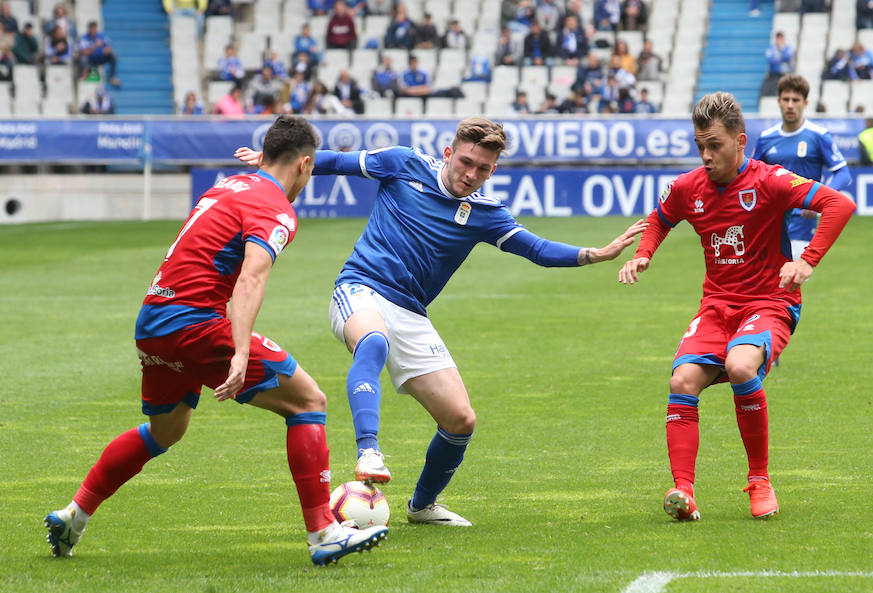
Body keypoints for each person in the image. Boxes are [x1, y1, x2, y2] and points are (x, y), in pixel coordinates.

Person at [236, 118, 647, 526]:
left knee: (460, 420)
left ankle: (422, 506)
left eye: (482, 169)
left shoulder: (487, 213)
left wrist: (597, 253)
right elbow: (337, 162)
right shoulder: (403, 163)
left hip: (411, 312)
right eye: (466, 162)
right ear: (448, 153)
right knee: (373, 341)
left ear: (493, 171)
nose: (471, 175)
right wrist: (277, 165)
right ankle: (369, 450)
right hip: (360, 288)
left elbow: (536, 249)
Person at [43, 115, 388, 566]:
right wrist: (240, 350)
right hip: (195, 322)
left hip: (153, 321)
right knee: (307, 401)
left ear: (265, 155)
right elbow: (250, 278)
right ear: (305, 165)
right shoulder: (276, 207)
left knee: (167, 429)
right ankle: (324, 531)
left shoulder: (228, 187)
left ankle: (74, 515)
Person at [617, 92, 856, 522]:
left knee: (742, 366)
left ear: (740, 140)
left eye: (715, 145)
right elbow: (660, 218)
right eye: (700, 147)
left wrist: (807, 260)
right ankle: (683, 492)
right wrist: (644, 253)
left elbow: (839, 203)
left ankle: (760, 481)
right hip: (717, 306)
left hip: (771, 301)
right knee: (682, 381)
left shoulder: (771, 181)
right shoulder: (690, 187)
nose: (706, 156)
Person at [753, 74, 851, 261]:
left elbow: (843, 173)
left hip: (802, 224)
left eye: (795, 100)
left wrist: (820, 198)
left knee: (790, 281)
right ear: (779, 101)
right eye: (786, 99)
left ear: (805, 103)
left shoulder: (818, 136)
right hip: (770, 224)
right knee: (769, 285)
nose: (790, 105)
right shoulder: (766, 138)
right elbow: (753, 175)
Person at [78, 21, 120, 87]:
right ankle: (84, 76)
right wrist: (95, 46)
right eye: (91, 29)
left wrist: (107, 50)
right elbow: (83, 52)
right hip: (90, 60)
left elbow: (109, 46)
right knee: (83, 58)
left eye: (94, 29)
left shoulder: (102, 36)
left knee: (113, 55)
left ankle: (112, 77)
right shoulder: (84, 38)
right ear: (88, 29)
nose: (93, 30)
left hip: (100, 58)